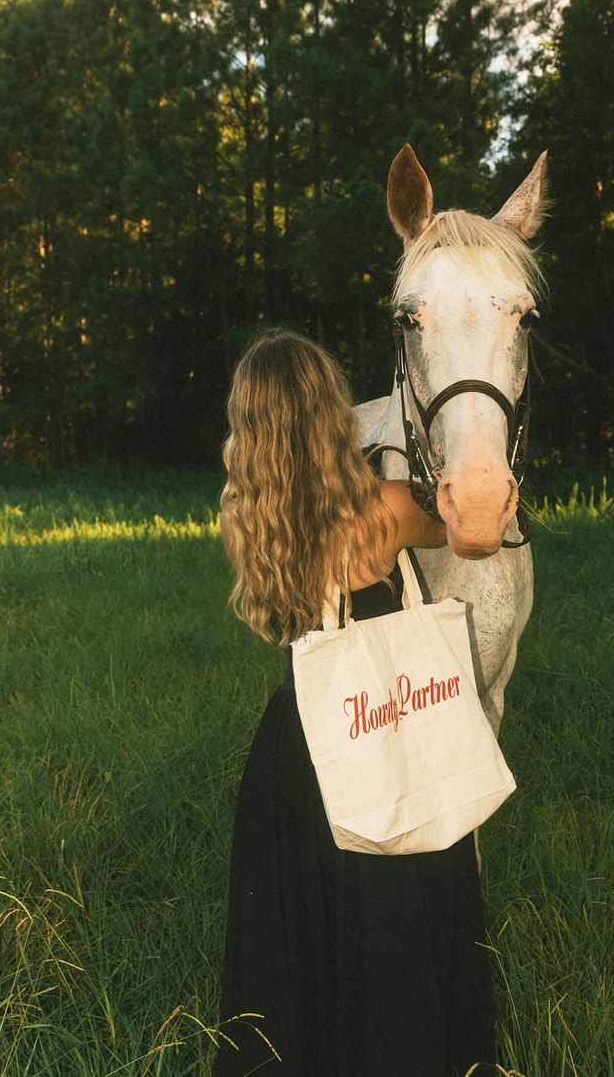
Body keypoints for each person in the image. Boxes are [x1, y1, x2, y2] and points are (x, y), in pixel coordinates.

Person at [212, 328, 496, 1077]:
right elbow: (468, 525)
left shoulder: (248, 520)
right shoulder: (385, 509)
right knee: (394, 915)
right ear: (333, 413)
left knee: (304, 939)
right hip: (387, 730)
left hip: (299, 748)